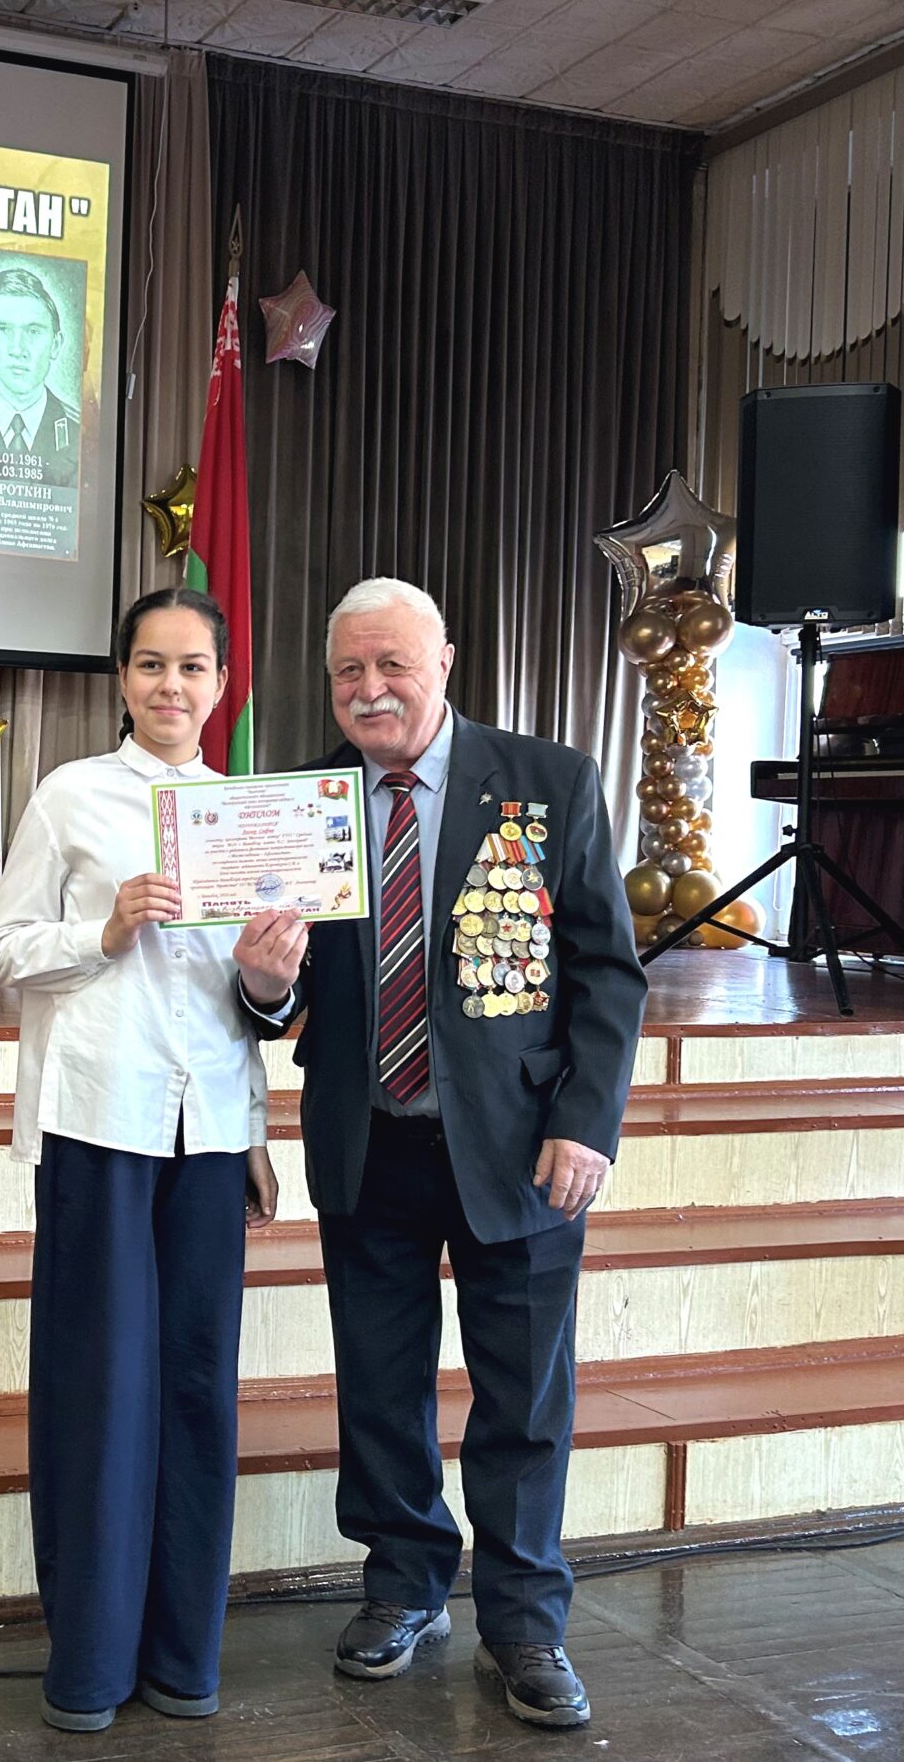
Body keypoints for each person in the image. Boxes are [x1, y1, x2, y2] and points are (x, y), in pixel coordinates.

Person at [257, 577, 644, 1729]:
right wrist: (264, 987)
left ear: (444, 662)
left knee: (522, 1398)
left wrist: (585, 1121)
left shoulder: (546, 782)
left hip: (521, 1146)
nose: (369, 689)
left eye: (392, 665)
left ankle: (524, 1622)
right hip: (365, 1137)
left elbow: (607, 972)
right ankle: (402, 1583)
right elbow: (271, 995)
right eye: (347, 671)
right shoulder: (304, 803)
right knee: (379, 1388)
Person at [0, 589, 308, 1735]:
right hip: (99, 1124)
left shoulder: (252, 816)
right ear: (122, 678)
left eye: (193, 666)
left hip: (208, 1134)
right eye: (152, 665)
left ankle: (181, 1657)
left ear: (222, 683)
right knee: (98, 1393)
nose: (173, 686)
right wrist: (104, 930)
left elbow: (254, 1006)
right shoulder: (71, 796)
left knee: (197, 1394)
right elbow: (2, 952)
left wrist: (269, 997)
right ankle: (88, 1667)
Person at [0, 266, 80, 486]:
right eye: (3, 329)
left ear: (56, 344)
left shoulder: (79, 431)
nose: (18, 349)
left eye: (33, 331)